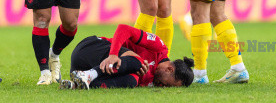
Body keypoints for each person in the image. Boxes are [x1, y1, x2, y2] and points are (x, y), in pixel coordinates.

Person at [60, 24, 194, 89]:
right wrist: (113, 55)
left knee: (132, 80)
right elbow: (124, 28)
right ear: (169, 69)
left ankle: (78, 84)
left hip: (80, 68)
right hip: (90, 49)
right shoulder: (159, 47)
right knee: (138, 62)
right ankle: (89, 75)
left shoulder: (150, 81)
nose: (163, 87)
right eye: (167, 85)